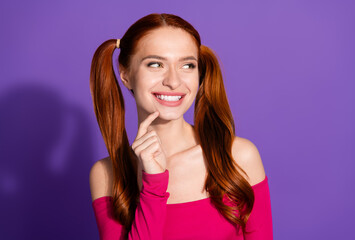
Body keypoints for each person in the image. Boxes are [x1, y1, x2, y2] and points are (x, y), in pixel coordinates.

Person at [89, 13, 273, 240]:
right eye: (155, 64)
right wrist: (153, 184)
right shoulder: (107, 175)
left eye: (187, 65)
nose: (174, 81)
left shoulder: (238, 157)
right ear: (125, 74)